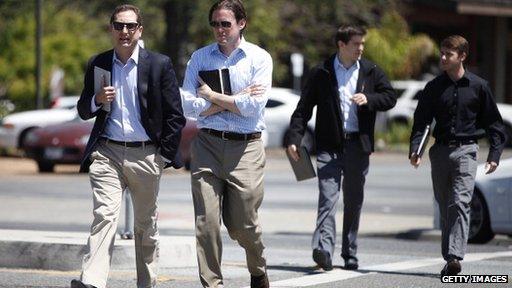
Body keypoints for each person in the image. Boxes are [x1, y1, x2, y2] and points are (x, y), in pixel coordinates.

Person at [71, 4, 185, 288]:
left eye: (130, 26)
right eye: (119, 25)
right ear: (111, 28)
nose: (124, 31)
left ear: (139, 30)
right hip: (107, 152)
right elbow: (84, 109)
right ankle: (92, 282)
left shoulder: (159, 64)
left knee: (145, 226)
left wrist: (163, 156)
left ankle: (146, 282)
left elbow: (175, 116)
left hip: (146, 154)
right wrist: (97, 99)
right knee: (105, 215)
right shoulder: (98, 63)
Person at [286, 25, 396, 271]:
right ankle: (324, 250)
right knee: (328, 198)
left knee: (353, 201)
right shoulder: (322, 72)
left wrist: (370, 100)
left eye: (362, 44)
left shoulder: (371, 71)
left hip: (359, 146)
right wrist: (295, 138)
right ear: (342, 45)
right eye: (356, 44)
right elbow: (303, 110)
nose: (361, 48)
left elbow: (390, 97)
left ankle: (349, 252)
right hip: (329, 147)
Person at [181, 1, 272, 287]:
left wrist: (211, 97)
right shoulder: (199, 58)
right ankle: (213, 284)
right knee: (206, 224)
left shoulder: (259, 58)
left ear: (241, 23)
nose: (219, 30)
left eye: (225, 24)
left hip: (246, 149)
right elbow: (187, 106)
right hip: (207, 145)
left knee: (244, 226)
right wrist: (231, 100)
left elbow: (252, 106)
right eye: (215, 24)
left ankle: (258, 270)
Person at [409, 35, 507, 277]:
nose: (443, 58)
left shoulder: (479, 87)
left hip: (467, 150)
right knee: (445, 206)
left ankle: (454, 257)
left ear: (462, 56)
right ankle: (449, 257)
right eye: (442, 53)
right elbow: (420, 123)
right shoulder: (433, 88)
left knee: (460, 203)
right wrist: (415, 150)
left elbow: (494, 124)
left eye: (448, 54)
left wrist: (494, 154)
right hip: (440, 151)